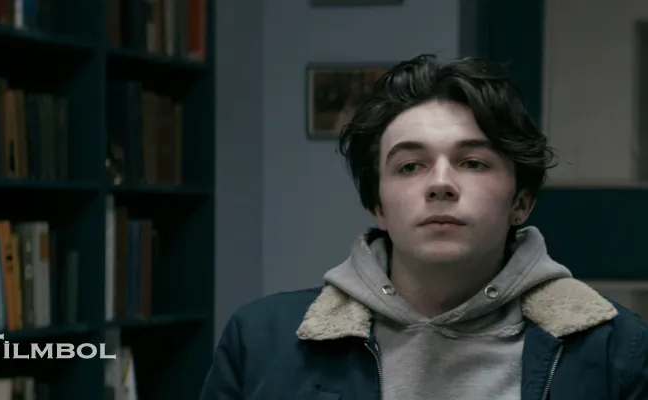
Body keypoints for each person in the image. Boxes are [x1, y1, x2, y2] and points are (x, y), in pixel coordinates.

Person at [199, 54, 648, 399]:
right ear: (378, 205)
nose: (440, 184)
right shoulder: (261, 341)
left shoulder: (613, 348)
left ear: (521, 202)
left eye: (473, 162)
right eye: (410, 166)